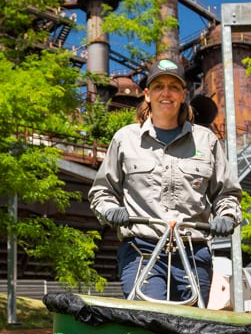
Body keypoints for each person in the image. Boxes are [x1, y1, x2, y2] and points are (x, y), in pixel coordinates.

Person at [89, 57, 242, 303]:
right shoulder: (125, 139)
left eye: (173, 87)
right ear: (147, 94)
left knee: (191, 325)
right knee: (149, 319)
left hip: (193, 251)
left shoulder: (206, 141)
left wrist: (227, 216)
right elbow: (101, 192)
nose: (166, 93)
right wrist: (111, 210)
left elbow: (226, 193)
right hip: (142, 250)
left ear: (183, 94)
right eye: (159, 86)